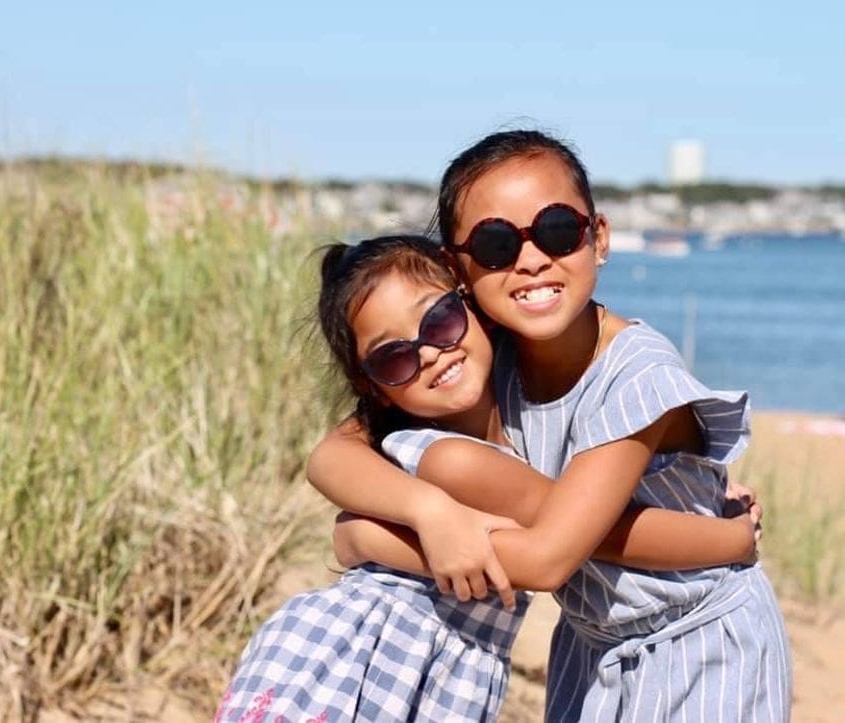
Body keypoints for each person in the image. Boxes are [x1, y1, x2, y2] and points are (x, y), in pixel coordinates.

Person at [314, 130, 791, 722]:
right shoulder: (483, 349)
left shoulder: (636, 377)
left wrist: (365, 539)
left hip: (703, 645)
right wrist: (426, 511)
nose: (532, 259)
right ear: (457, 269)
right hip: (592, 645)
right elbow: (334, 453)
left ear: (599, 238)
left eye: (558, 230)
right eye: (494, 245)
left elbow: (549, 557)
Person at [216, 235, 759, 723]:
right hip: (368, 655)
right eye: (394, 357)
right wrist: (730, 539)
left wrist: (365, 535)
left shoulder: (501, 416)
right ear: (375, 386)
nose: (429, 353)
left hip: (440, 664)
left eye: (439, 321)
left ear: (471, 306)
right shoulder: (455, 460)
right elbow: (576, 544)